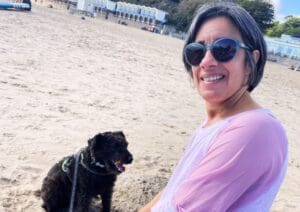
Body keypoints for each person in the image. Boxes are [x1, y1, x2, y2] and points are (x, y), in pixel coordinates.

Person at [139, 2, 288, 212]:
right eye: (196, 51)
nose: (207, 61)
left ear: (251, 61)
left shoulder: (255, 129)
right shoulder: (215, 124)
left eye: (224, 49)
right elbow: (173, 192)